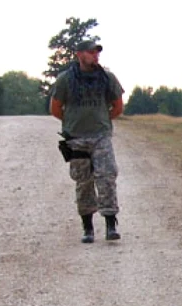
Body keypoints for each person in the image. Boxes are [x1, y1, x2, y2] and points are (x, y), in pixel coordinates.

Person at [50, 40, 124, 243]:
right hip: (76, 138)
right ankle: (88, 228)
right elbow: (55, 108)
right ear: (79, 54)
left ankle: (110, 224)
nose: (95, 56)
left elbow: (118, 106)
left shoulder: (107, 78)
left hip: (101, 136)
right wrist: (72, 123)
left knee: (107, 176)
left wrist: (102, 120)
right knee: (83, 182)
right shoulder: (66, 80)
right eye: (91, 52)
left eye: (97, 52)